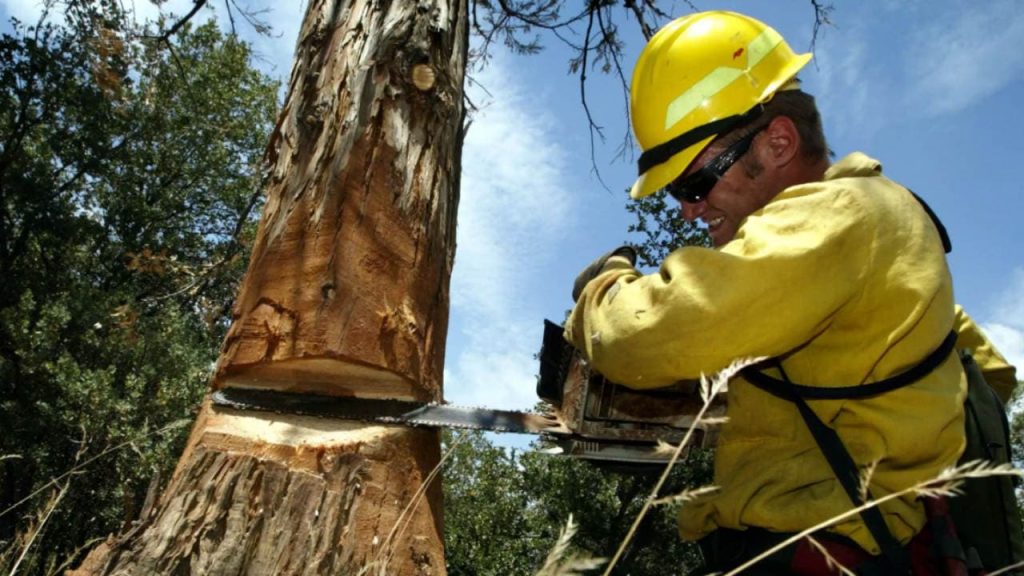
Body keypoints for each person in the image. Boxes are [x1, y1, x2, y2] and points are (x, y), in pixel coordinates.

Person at [564, 10, 1018, 575]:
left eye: (695, 181)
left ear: (778, 142)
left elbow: (639, 335)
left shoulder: (844, 214)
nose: (686, 208)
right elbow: (991, 374)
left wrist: (602, 290)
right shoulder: (863, 243)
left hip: (824, 556)